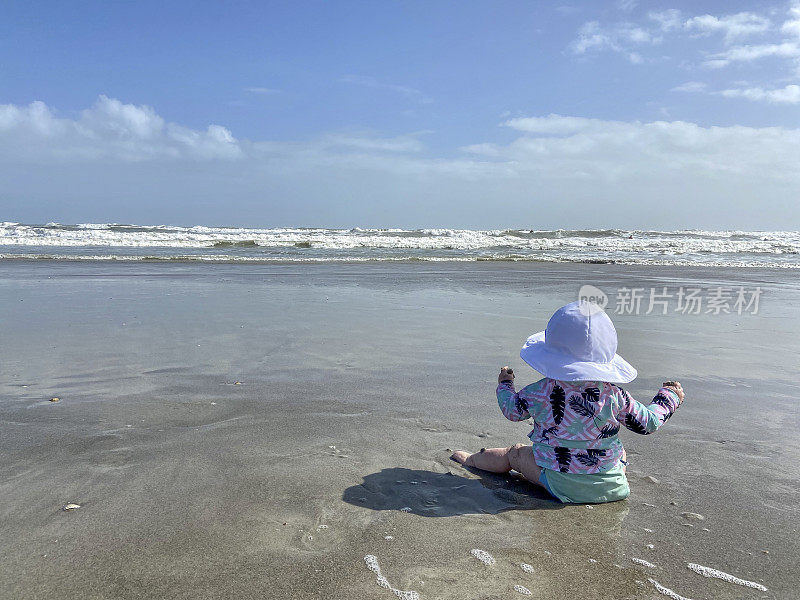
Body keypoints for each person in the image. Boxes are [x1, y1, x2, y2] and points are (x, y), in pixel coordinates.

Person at [451, 301, 684, 504]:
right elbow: (649, 423)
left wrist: (505, 384)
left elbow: (512, 410)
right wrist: (669, 396)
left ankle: (471, 460)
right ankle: (597, 478)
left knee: (515, 453)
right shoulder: (615, 395)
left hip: (557, 482)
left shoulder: (540, 392)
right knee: (615, 450)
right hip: (613, 483)